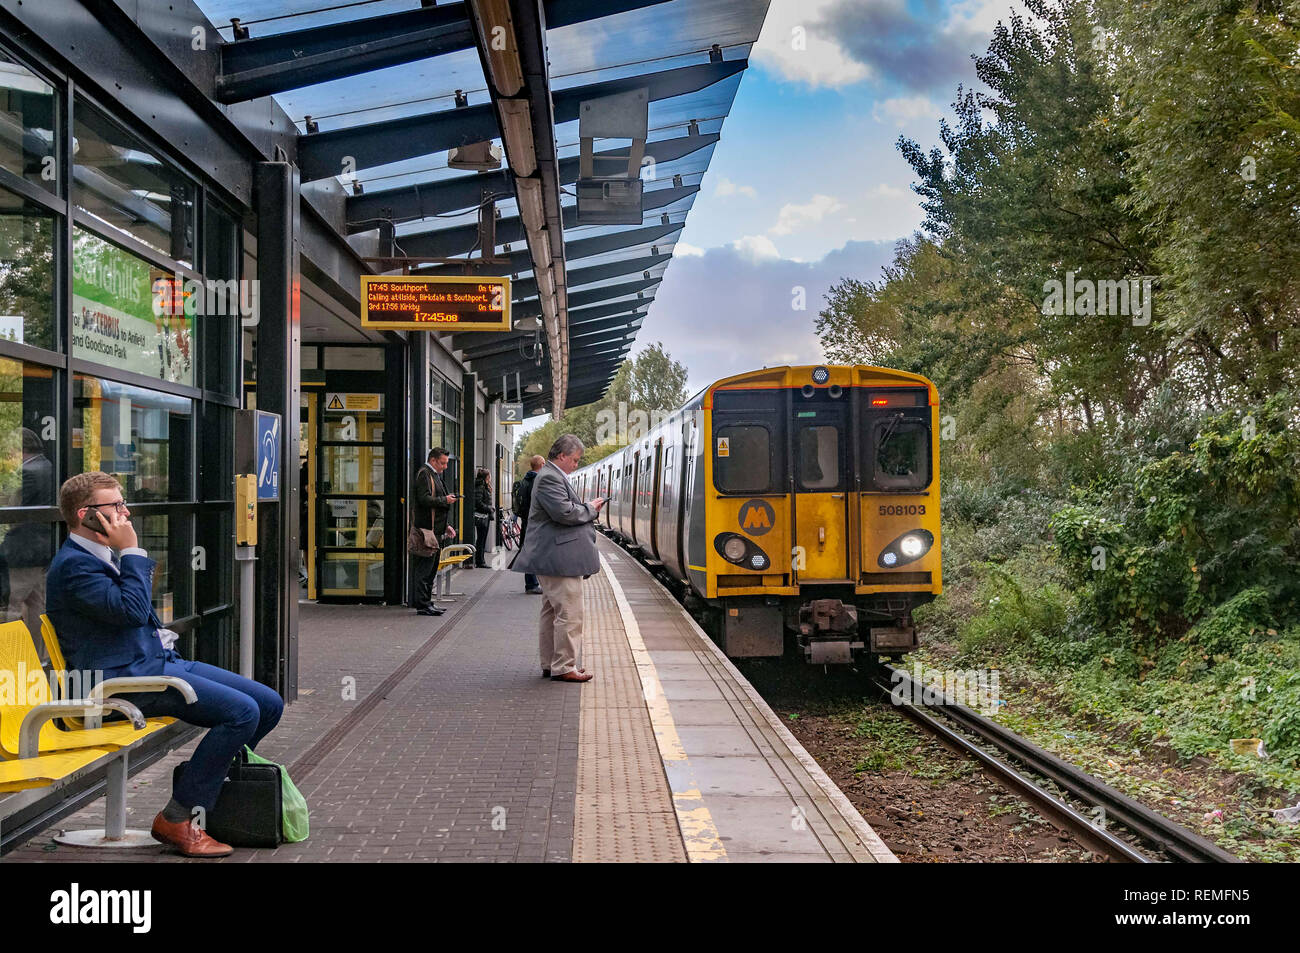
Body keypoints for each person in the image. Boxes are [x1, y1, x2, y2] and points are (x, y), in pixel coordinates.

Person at [44, 471, 284, 858]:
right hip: (118, 682)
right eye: (116, 506)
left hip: (154, 664)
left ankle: (201, 795)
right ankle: (178, 816)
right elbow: (133, 610)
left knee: (269, 703)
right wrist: (133, 551)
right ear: (88, 514)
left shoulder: (99, 557)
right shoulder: (74, 566)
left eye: (124, 504)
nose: (126, 513)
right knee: (241, 713)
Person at [511, 435, 606, 682]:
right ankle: (564, 666)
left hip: (553, 557)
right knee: (570, 613)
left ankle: (551, 663)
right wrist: (590, 509)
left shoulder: (550, 476)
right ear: (562, 455)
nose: (576, 464)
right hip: (558, 559)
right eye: (574, 460)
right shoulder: (550, 478)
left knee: (551, 612)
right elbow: (563, 512)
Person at [3, 428, 55, 662]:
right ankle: (36, 655)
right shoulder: (51, 467)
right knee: (37, 604)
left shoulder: (28, 472)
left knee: (11, 604)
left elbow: (15, 510)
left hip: (24, 550)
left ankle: (12, 656)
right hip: (44, 549)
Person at [410, 448, 457, 616]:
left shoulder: (433, 474)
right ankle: (422, 604)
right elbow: (423, 499)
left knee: (431, 570)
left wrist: (445, 525)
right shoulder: (424, 474)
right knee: (424, 569)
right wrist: (445, 500)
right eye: (443, 463)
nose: (445, 467)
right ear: (433, 460)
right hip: (426, 532)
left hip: (435, 531)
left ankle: (427, 602)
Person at [514, 455, 545, 594]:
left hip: (527, 520)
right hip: (535, 522)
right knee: (533, 552)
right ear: (542, 465)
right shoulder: (537, 481)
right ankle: (532, 584)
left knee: (529, 551)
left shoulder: (525, 480)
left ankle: (532, 583)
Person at [472, 468, 493, 568]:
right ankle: (480, 561)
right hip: (482, 516)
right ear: (486, 477)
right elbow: (478, 502)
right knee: (481, 539)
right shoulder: (480, 486)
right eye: (489, 475)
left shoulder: (484, 486)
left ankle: (481, 560)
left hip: (485, 515)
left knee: (482, 539)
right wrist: (489, 508)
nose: (491, 477)